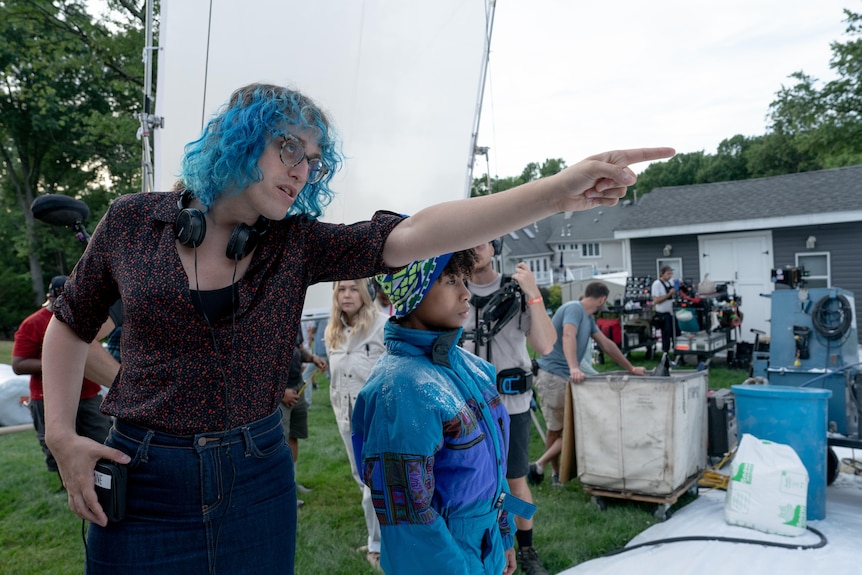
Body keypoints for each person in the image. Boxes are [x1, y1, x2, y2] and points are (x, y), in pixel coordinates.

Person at [40, 81, 672, 574]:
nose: (302, 170)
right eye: (289, 149)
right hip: (145, 477)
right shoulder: (130, 223)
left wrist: (558, 191)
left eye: (313, 160)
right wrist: (64, 437)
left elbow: (418, 233)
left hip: (257, 477)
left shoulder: (298, 244)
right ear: (238, 139)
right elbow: (67, 328)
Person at [353, 250, 524, 575]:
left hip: (486, 549)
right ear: (412, 293)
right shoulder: (401, 390)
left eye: (463, 279)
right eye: (449, 281)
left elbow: (496, 470)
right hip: (449, 560)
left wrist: (505, 535)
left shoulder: (475, 368)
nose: (466, 293)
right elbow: (409, 520)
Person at [462, 242, 556, 575]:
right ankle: (477, 544)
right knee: (468, 481)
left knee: (514, 480)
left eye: (483, 240)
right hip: (465, 407)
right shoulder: (451, 288)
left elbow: (545, 345)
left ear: (496, 246)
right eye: (468, 239)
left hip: (509, 406)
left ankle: (526, 547)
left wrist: (533, 292)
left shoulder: (515, 292)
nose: (475, 247)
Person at [529, 282, 647, 486]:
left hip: (559, 378)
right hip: (553, 377)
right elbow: (568, 335)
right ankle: (551, 471)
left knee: (561, 429)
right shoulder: (574, 308)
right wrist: (574, 367)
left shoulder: (588, 318)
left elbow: (606, 344)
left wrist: (631, 368)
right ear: (601, 299)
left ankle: (546, 470)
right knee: (572, 428)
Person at [11, 276, 113, 484]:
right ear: (50, 297)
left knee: (102, 439)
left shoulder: (85, 316)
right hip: (48, 397)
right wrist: (61, 360)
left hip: (88, 395)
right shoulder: (32, 323)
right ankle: (70, 486)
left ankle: (105, 485)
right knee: (59, 449)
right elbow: (18, 364)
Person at [324, 277, 387, 570]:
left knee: (373, 486)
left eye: (352, 289)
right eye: (341, 289)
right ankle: (377, 536)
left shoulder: (381, 325)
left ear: (364, 292)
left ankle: (377, 546)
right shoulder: (332, 332)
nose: (346, 295)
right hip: (345, 418)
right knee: (361, 479)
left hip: (375, 418)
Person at [280, 331, 326, 508]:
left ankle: (291, 483)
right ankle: (282, 491)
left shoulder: (292, 313)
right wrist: (280, 392)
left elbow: (297, 347)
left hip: (297, 386)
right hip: (281, 393)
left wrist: (313, 358)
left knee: (293, 437)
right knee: (280, 444)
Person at [651, 266, 678, 354]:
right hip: (663, 314)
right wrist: (669, 294)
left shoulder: (670, 283)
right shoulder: (657, 284)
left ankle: (677, 352)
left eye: (671, 273)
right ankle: (665, 354)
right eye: (668, 273)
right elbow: (656, 300)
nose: (670, 276)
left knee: (676, 333)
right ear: (662, 273)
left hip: (672, 313)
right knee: (666, 334)